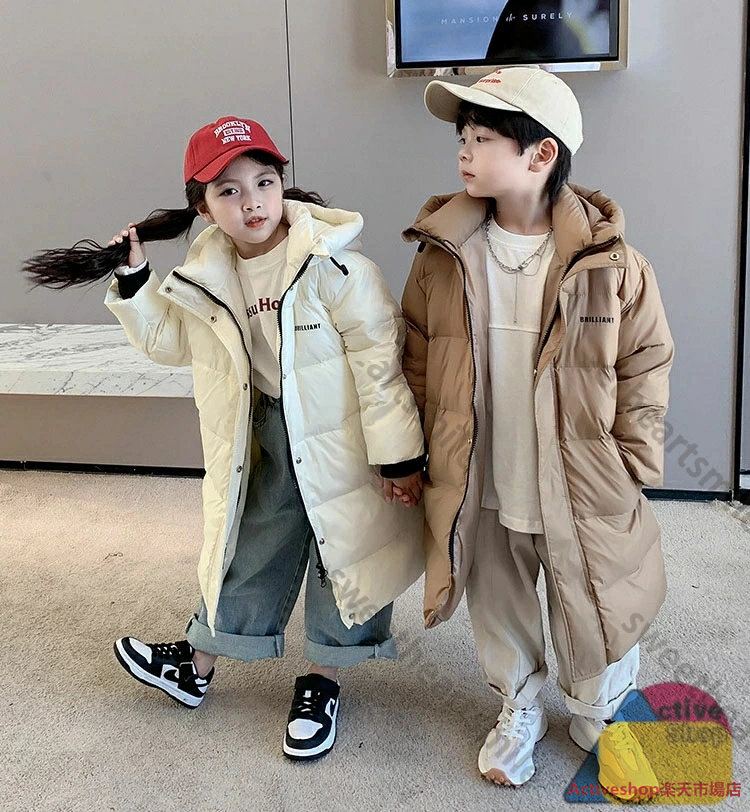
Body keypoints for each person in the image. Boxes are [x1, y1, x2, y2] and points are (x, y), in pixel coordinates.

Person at [23, 116, 426, 761]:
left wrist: (398, 455)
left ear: (282, 184)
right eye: (229, 191)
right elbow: (169, 342)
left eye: (264, 182)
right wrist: (135, 280)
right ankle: (198, 662)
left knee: (345, 552)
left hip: (344, 437)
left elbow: (381, 367)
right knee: (251, 541)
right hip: (265, 432)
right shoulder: (206, 276)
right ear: (204, 208)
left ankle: (322, 680)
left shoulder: (335, 267)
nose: (252, 202)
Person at [397, 67, 674, 795]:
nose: (464, 150)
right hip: (482, 472)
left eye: (483, 137)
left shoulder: (612, 265)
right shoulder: (443, 255)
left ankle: (601, 713)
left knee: (598, 598)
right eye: (462, 136)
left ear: (541, 154)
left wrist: (633, 463)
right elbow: (415, 355)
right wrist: (416, 454)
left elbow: (646, 362)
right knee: (498, 599)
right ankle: (518, 707)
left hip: (579, 481)